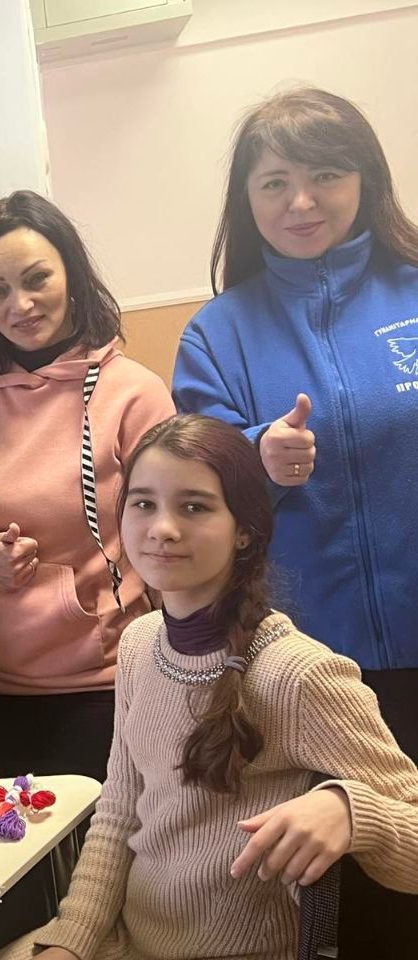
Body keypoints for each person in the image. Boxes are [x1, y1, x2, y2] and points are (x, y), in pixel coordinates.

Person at [0, 414, 418, 960]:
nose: (163, 528)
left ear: (244, 530)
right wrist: (72, 942)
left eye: (194, 507)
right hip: (128, 939)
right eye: (143, 503)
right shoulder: (139, 643)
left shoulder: (299, 675)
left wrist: (350, 811)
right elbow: (119, 813)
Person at [173, 88, 418, 760]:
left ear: (365, 180)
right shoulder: (216, 334)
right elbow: (193, 490)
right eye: (275, 182)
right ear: (247, 199)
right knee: (347, 825)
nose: (301, 202)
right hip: (306, 663)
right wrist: (256, 456)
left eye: (326, 175)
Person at [0, 191, 174, 784]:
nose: (19, 305)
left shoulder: (134, 395)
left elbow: (173, 543)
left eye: (36, 279)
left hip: (110, 689)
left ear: (71, 275)